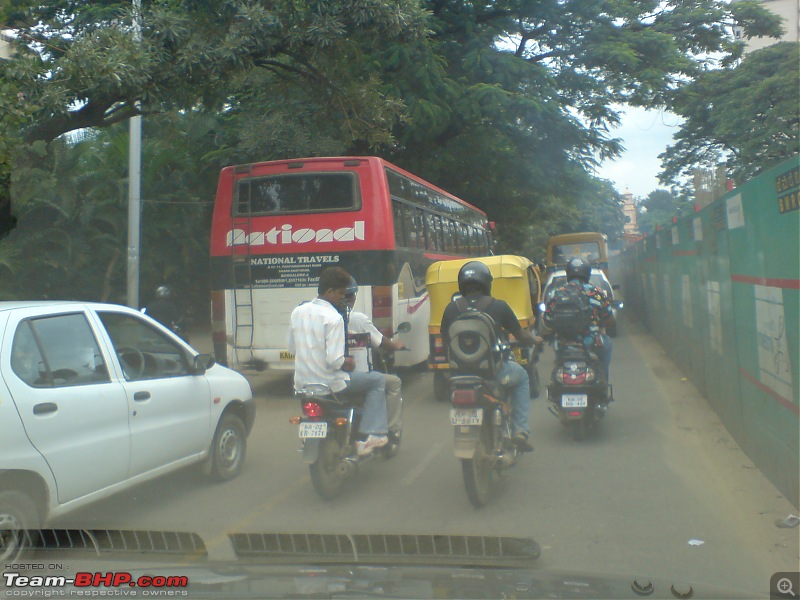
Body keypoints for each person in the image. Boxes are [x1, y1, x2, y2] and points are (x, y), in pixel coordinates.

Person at [287, 267, 390, 456]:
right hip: (331, 384)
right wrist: (348, 362)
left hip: (302, 385)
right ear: (330, 292)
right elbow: (335, 361)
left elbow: (292, 349)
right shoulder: (334, 318)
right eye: (341, 294)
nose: (343, 298)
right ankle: (371, 434)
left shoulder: (297, 312)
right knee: (377, 380)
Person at [440, 261, 539, 452]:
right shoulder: (499, 306)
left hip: (459, 377)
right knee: (522, 376)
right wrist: (535, 341)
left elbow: (445, 338)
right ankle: (520, 431)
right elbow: (521, 336)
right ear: (487, 282)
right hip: (493, 373)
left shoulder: (451, 309)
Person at [342, 278, 404, 437]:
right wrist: (395, 345)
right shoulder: (357, 319)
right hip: (351, 377)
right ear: (353, 297)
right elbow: (380, 342)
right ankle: (390, 430)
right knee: (393, 382)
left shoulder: (321, 318)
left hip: (319, 380)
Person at [543, 257, 614, 383]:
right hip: (592, 343)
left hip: (563, 344)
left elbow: (547, 321)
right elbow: (609, 318)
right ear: (587, 273)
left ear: (568, 273)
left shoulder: (557, 293)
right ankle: (603, 383)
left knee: (559, 359)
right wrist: (601, 326)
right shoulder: (596, 292)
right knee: (607, 344)